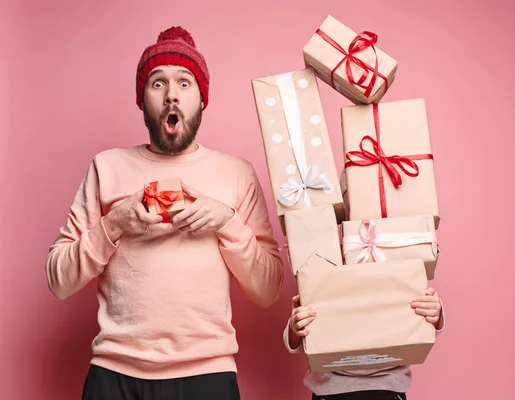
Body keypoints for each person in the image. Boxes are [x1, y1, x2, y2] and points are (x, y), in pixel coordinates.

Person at [45, 26, 284, 400]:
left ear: (202, 99)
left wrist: (226, 222)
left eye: (185, 83)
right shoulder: (106, 167)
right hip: (114, 374)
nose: (172, 94)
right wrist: (114, 224)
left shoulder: (237, 173)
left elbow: (269, 290)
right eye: (158, 83)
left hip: (209, 376)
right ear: (142, 100)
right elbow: (58, 280)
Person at [284, 287, 445, 400]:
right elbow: (296, 342)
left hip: (388, 388)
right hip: (329, 389)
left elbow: (418, 320)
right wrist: (295, 326)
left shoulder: (398, 259)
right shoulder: (324, 266)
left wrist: (435, 314)